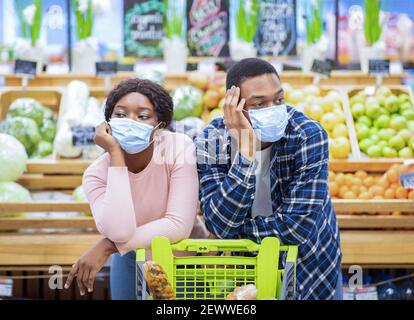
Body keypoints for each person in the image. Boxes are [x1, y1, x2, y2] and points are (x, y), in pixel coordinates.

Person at [195, 58, 342, 300]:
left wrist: (234, 235)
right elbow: (218, 224)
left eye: (279, 100)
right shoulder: (212, 141)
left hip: (309, 267)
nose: (274, 109)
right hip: (244, 274)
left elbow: (296, 227)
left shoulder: (309, 136)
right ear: (234, 106)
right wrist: (246, 154)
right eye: (259, 103)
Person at [64, 78, 209, 300]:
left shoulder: (179, 147)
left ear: (160, 125)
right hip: (132, 257)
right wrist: (115, 155)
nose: (130, 121)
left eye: (142, 116)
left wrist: (108, 246)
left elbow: (178, 225)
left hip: (185, 257)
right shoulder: (96, 174)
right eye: (121, 115)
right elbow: (120, 231)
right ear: (107, 123)